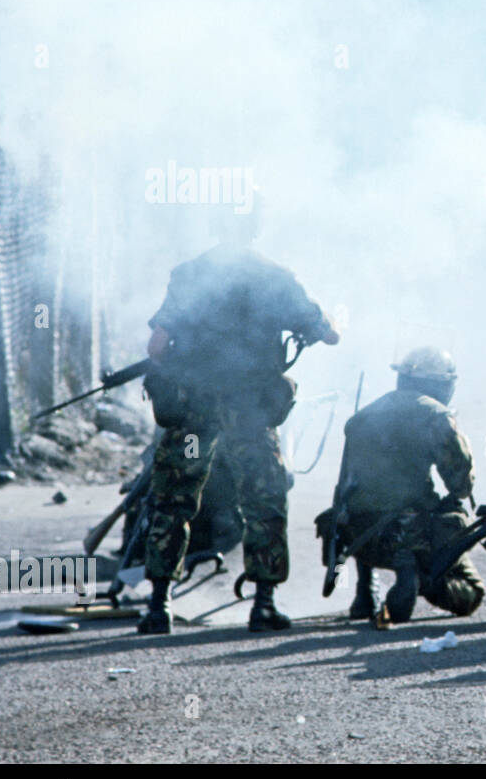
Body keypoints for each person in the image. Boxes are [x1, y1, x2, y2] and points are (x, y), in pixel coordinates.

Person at [138, 202, 340, 635]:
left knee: (173, 499)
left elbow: (157, 345)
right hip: (247, 408)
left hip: (194, 406)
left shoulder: (189, 273)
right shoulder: (275, 277)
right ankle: (263, 604)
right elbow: (329, 333)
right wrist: (318, 322)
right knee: (263, 498)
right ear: (255, 226)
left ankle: (158, 606)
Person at [322, 347, 485, 626]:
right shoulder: (435, 415)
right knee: (471, 593)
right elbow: (460, 486)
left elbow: (346, 487)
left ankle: (365, 592)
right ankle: (417, 578)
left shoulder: (363, 416)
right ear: (441, 384)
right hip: (408, 535)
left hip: (359, 538)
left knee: (367, 502)